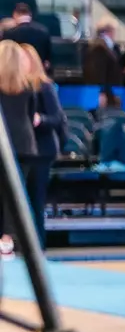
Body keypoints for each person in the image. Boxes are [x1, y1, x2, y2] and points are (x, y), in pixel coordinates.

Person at [0, 40, 42, 256]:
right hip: (25, 145)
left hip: (4, 144)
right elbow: (31, 115)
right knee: (16, 197)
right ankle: (9, 239)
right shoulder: (28, 86)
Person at [19, 42, 64, 242]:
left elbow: (57, 118)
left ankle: (38, 244)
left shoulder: (44, 86)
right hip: (24, 150)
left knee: (36, 200)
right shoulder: (16, 88)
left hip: (41, 151)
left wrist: (40, 119)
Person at [0, 1, 52, 75]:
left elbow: (4, 57)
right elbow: (47, 61)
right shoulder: (44, 31)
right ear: (30, 14)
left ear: (15, 15)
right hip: (38, 75)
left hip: (17, 75)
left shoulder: (9, 33)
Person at [83, 21, 124, 87]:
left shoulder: (112, 47)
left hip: (110, 87)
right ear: (108, 31)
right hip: (102, 88)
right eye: (113, 31)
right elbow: (98, 71)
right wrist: (102, 89)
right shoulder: (98, 48)